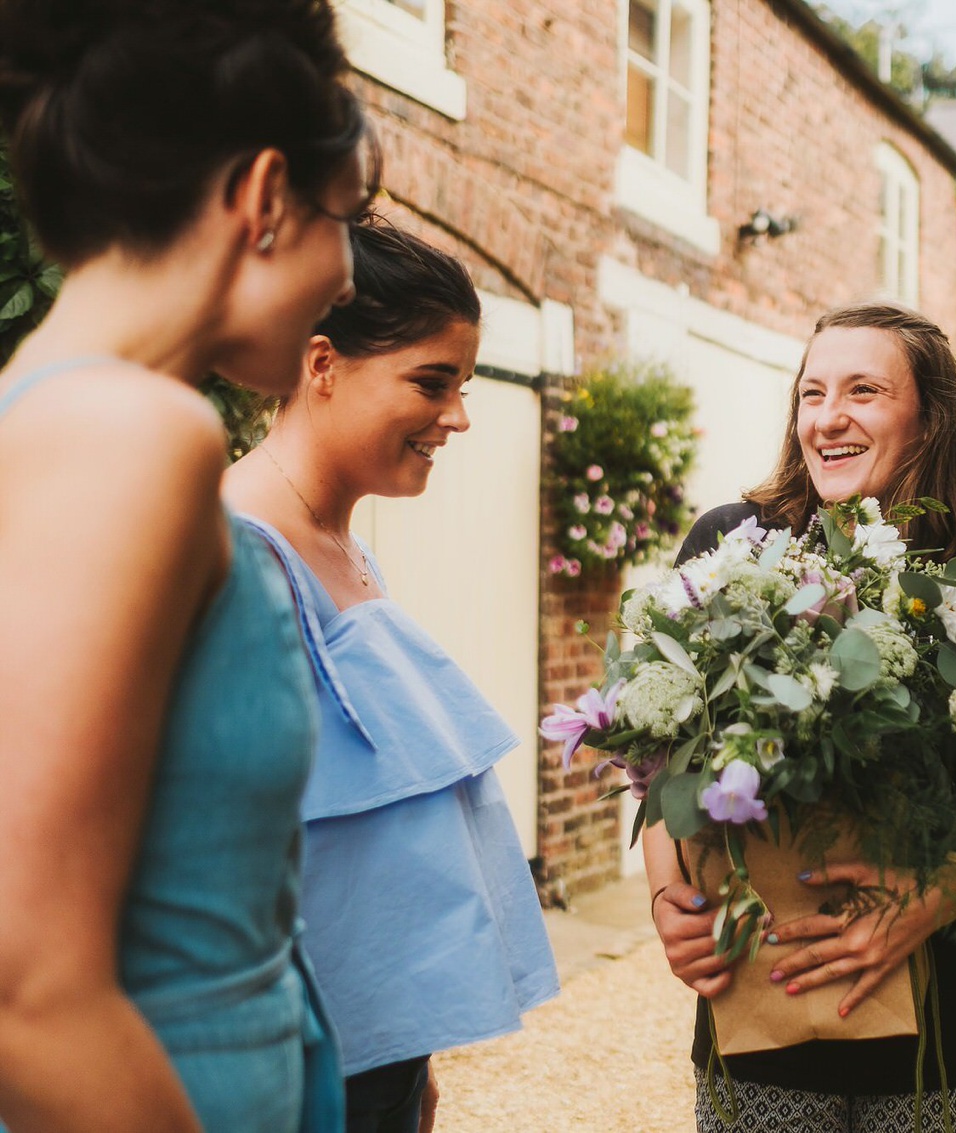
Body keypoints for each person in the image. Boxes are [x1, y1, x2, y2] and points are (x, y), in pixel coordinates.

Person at [0, 1, 373, 1130]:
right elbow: (24, 984)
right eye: (347, 218)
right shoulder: (133, 433)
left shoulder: (45, 408)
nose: (350, 273)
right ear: (264, 198)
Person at [644, 302, 956, 1133]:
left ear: (930, 417)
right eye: (812, 393)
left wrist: (912, 910)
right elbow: (665, 767)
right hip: (761, 1000)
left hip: (945, 1009)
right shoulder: (729, 543)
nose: (828, 418)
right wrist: (669, 899)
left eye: (864, 390)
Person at [224, 215, 560, 1133]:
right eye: (431, 381)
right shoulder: (237, 555)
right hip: (285, 1070)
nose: (457, 415)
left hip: (368, 1054)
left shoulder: (343, 544)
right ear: (322, 363)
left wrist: (408, 1065)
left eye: (463, 383)